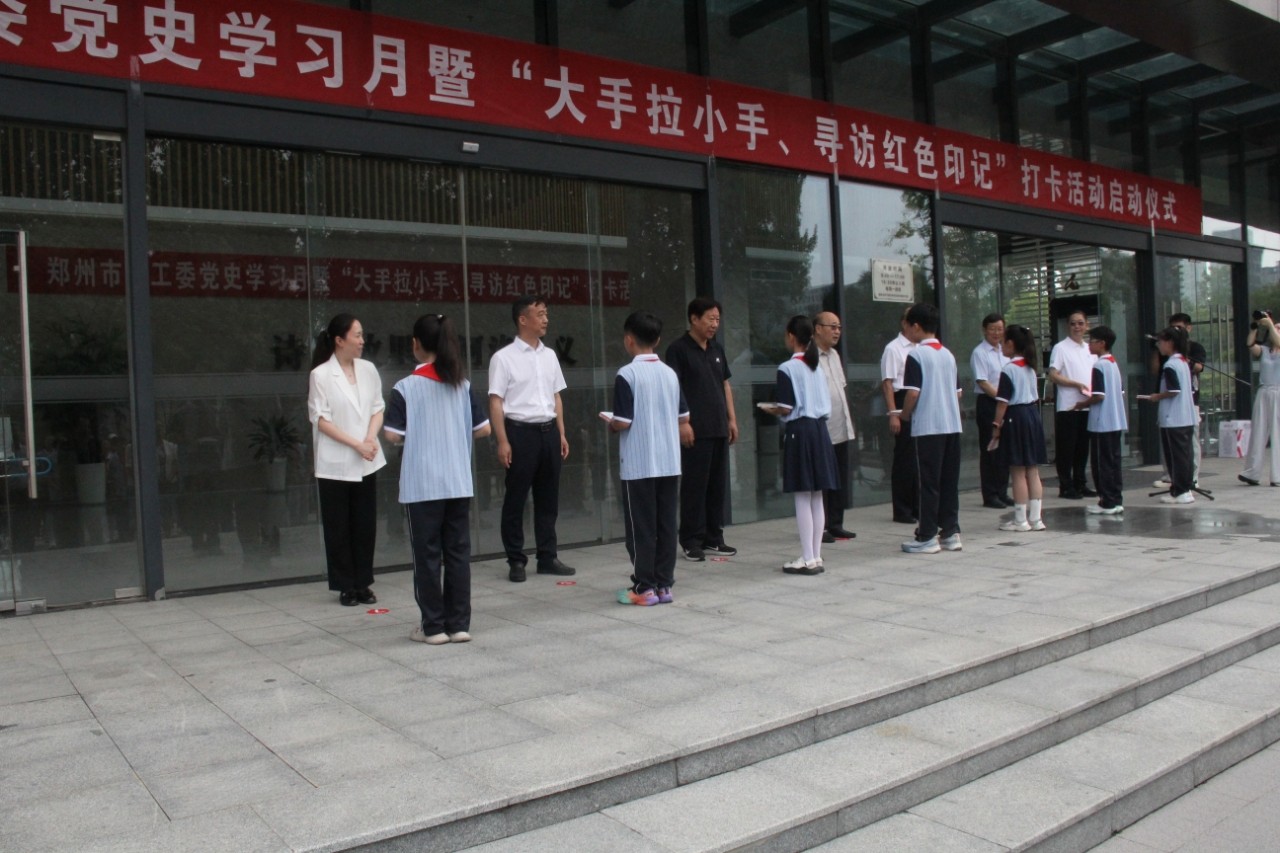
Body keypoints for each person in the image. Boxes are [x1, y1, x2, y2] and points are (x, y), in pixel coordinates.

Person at [384, 314, 491, 645]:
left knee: (427, 556)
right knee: (457, 553)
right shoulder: (462, 385)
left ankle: (433, 627)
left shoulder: (405, 387)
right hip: (457, 481)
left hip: (422, 484)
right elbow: (484, 429)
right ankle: (459, 624)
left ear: (415, 344)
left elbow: (392, 435)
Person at [488, 296, 575, 582]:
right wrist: (503, 440)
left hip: (549, 432)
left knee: (548, 498)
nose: (546, 319)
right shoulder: (503, 358)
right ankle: (516, 560)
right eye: (540, 314)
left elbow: (556, 396)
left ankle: (548, 557)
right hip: (520, 433)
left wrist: (561, 432)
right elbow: (496, 401)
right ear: (523, 319)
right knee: (516, 499)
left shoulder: (549, 356)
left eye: (546, 313)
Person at [604, 311, 688, 605]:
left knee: (641, 526)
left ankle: (644, 587)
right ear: (658, 339)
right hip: (669, 461)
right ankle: (664, 585)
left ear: (629, 340)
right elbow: (683, 416)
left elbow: (623, 421)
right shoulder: (670, 374)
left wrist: (611, 422)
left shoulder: (627, 374)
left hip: (638, 463)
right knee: (666, 524)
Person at [307, 313, 387, 607]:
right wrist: (357, 444)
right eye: (357, 335)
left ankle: (363, 583)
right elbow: (321, 420)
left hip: (367, 458)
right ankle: (345, 586)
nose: (362, 341)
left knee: (365, 524)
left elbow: (378, 408)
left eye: (362, 335)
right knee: (338, 526)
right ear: (340, 341)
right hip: (336, 462)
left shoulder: (368, 369)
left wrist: (370, 439)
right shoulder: (321, 375)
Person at [761, 316, 840, 575]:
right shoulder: (816, 366)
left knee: (803, 494)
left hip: (800, 431)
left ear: (791, 336)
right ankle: (815, 556)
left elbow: (786, 407)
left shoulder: (787, 367)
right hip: (820, 430)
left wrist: (771, 409)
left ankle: (807, 557)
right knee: (817, 494)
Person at [666, 297, 739, 562]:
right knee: (694, 486)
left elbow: (725, 385)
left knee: (717, 486)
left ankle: (713, 538)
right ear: (694, 319)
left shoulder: (716, 349)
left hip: (718, 426)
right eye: (710, 318)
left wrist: (732, 419)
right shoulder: (678, 350)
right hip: (695, 430)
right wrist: (682, 422)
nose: (715, 324)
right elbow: (674, 388)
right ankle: (691, 540)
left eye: (717, 319)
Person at [899, 303, 962, 554]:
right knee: (948, 481)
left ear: (916, 326)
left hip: (928, 427)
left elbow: (913, 393)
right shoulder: (948, 355)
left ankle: (926, 535)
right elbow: (958, 393)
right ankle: (950, 532)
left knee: (928, 483)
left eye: (907, 326)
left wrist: (904, 415)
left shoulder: (916, 356)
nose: (906, 331)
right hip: (951, 425)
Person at [991, 325, 1048, 532]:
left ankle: (1020, 520)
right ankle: (1036, 519)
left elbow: (1002, 402)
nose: (1001, 345)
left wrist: (996, 425)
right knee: (1032, 469)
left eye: (1003, 341)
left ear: (1011, 343)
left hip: (1015, 417)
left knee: (1017, 470)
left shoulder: (1009, 369)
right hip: (1032, 415)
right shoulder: (1030, 367)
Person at [813, 311, 857, 541]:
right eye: (832, 326)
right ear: (818, 328)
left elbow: (841, 388)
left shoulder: (835, 355)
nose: (837, 331)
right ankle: (820, 527)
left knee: (838, 477)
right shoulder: (810, 356)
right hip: (821, 428)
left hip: (840, 426)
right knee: (822, 479)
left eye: (839, 327)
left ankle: (836, 523)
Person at [1140, 327, 1197, 504]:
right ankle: (1184, 489)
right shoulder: (1183, 362)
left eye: (1161, 341)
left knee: (1175, 457)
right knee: (1185, 456)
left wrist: (1157, 396)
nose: (1158, 345)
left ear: (1170, 342)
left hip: (1174, 419)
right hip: (1185, 417)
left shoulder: (1171, 365)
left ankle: (1180, 491)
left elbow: (1174, 390)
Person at [1077, 325, 1128, 514]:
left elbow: (1099, 395)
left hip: (1102, 422)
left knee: (1102, 463)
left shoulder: (1099, 366)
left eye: (1092, 341)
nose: (1089, 344)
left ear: (1102, 343)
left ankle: (1106, 501)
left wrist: (1082, 404)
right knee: (1114, 462)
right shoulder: (1113, 363)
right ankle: (1116, 499)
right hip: (1116, 420)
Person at [1047, 310, 1096, 499]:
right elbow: (1053, 374)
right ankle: (1066, 485)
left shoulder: (1090, 349)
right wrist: (1075, 384)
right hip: (1068, 406)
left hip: (1087, 404)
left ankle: (1080, 482)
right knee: (1067, 448)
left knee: (1083, 447)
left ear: (1087, 325)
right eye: (1073, 323)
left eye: (1080, 323)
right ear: (1068, 326)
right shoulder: (1061, 348)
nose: (1077, 327)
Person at [1154, 313, 1207, 488]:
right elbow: (1156, 370)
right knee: (1169, 442)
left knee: (1189, 441)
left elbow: (1198, 368)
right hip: (1170, 407)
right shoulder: (1169, 357)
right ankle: (1171, 476)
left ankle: (1191, 478)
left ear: (1188, 328)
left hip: (1189, 402)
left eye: (1179, 328)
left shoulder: (1190, 352)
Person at [880, 307, 918, 524]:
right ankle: (902, 510)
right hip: (902, 400)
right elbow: (888, 383)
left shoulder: (920, 347)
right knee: (905, 458)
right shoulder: (893, 349)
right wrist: (893, 413)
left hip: (918, 401)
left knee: (918, 458)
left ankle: (917, 506)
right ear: (905, 323)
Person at [970, 313, 1012, 509]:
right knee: (990, 450)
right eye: (992, 329)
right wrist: (1002, 397)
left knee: (1004, 450)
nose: (996, 333)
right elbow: (982, 382)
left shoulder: (1006, 351)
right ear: (984, 330)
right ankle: (990, 495)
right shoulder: (980, 352)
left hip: (1006, 404)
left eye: (1000, 329)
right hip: (989, 403)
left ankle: (1002, 492)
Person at [1240, 312, 1280, 487]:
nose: (1276, 330)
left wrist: (1270, 323)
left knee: (1277, 433)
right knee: (1258, 430)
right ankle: (1252, 472)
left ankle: (1277, 475)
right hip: (1264, 391)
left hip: (1278, 391)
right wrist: (1254, 327)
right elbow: (1250, 345)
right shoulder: (1265, 350)